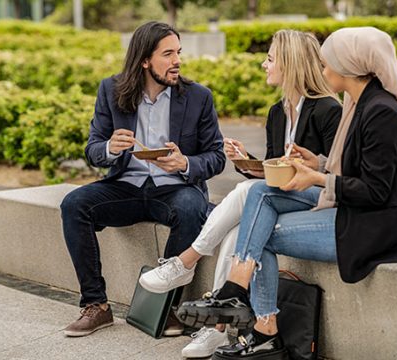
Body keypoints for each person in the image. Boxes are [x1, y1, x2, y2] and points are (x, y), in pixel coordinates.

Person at [177, 26, 397, 360]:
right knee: (260, 195)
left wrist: (317, 177)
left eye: (328, 64)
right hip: (357, 213)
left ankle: (256, 320)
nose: (323, 71)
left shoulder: (380, 111)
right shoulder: (360, 104)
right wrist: (321, 165)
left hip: (379, 228)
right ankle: (244, 303)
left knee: (259, 230)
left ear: (349, 66)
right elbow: (357, 173)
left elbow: (376, 191)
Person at [139, 30, 342, 358]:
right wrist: (248, 163)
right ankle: (218, 327)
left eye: (271, 59)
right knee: (242, 218)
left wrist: (264, 176)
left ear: (289, 64)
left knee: (248, 193)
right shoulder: (278, 112)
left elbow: (334, 176)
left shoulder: (328, 110)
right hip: (279, 198)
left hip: (318, 201)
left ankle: (187, 261)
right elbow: (275, 172)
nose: (264, 65)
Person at [59, 21, 225, 338]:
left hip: (175, 190)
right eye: (168, 54)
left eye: (179, 52)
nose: (177, 60)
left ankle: (167, 308)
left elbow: (216, 156)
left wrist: (185, 163)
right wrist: (109, 147)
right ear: (144, 60)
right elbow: (93, 149)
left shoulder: (198, 97)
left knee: (192, 208)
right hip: (126, 187)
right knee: (74, 204)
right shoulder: (111, 89)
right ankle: (96, 305)